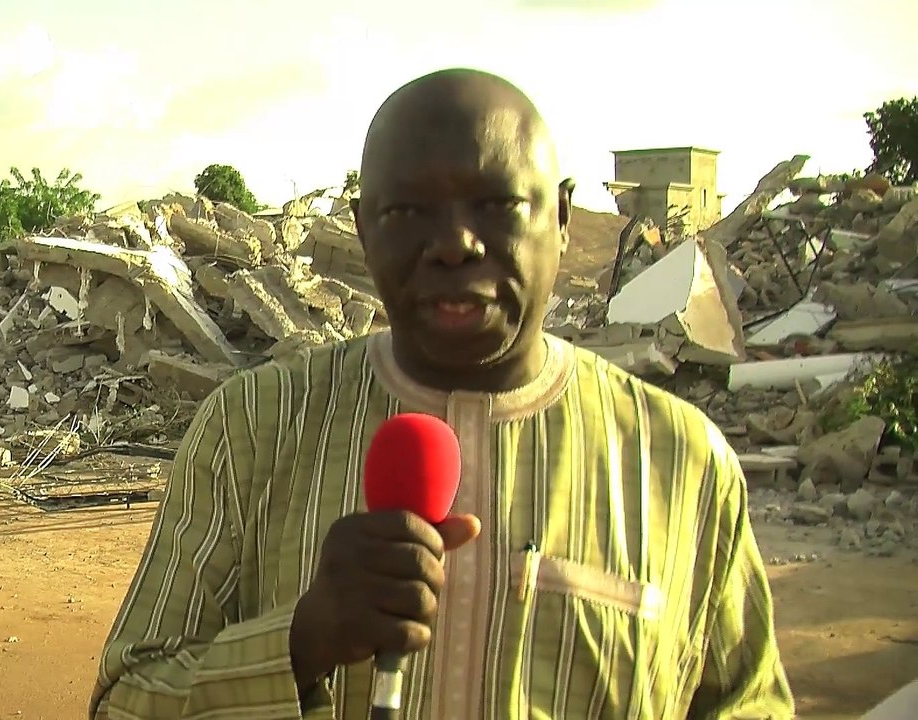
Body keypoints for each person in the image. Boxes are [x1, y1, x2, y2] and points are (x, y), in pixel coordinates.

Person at [90, 68, 795, 719]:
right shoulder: (250, 427)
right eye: (407, 211)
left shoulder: (682, 461)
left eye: (498, 204)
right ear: (363, 232)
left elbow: (750, 705)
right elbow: (123, 701)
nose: (455, 242)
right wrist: (301, 643)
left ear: (561, 217)